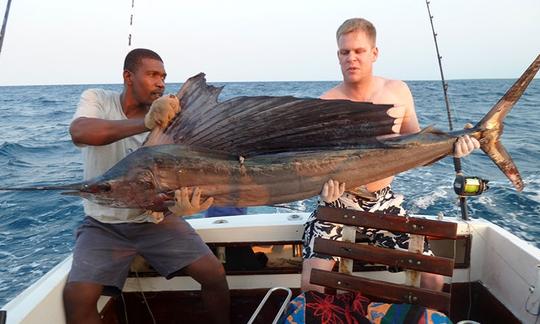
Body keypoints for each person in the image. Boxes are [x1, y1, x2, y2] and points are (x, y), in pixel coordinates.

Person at [301, 18, 480, 292]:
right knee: (311, 283)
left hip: (384, 203)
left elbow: (417, 150)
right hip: (338, 202)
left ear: (374, 53)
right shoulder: (326, 104)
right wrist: (322, 192)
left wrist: (454, 146)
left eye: (359, 51)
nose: (351, 58)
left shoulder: (398, 91)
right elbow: (314, 165)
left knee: (433, 279)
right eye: (344, 52)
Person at [63, 48, 230, 324]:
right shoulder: (97, 99)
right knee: (77, 297)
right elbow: (80, 131)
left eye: (163, 76)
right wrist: (146, 122)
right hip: (103, 224)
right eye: (152, 74)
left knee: (214, 275)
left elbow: (170, 186)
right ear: (128, 76)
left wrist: (179, 204)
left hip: (154, 221)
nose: (161, 83)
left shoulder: (171, 120)